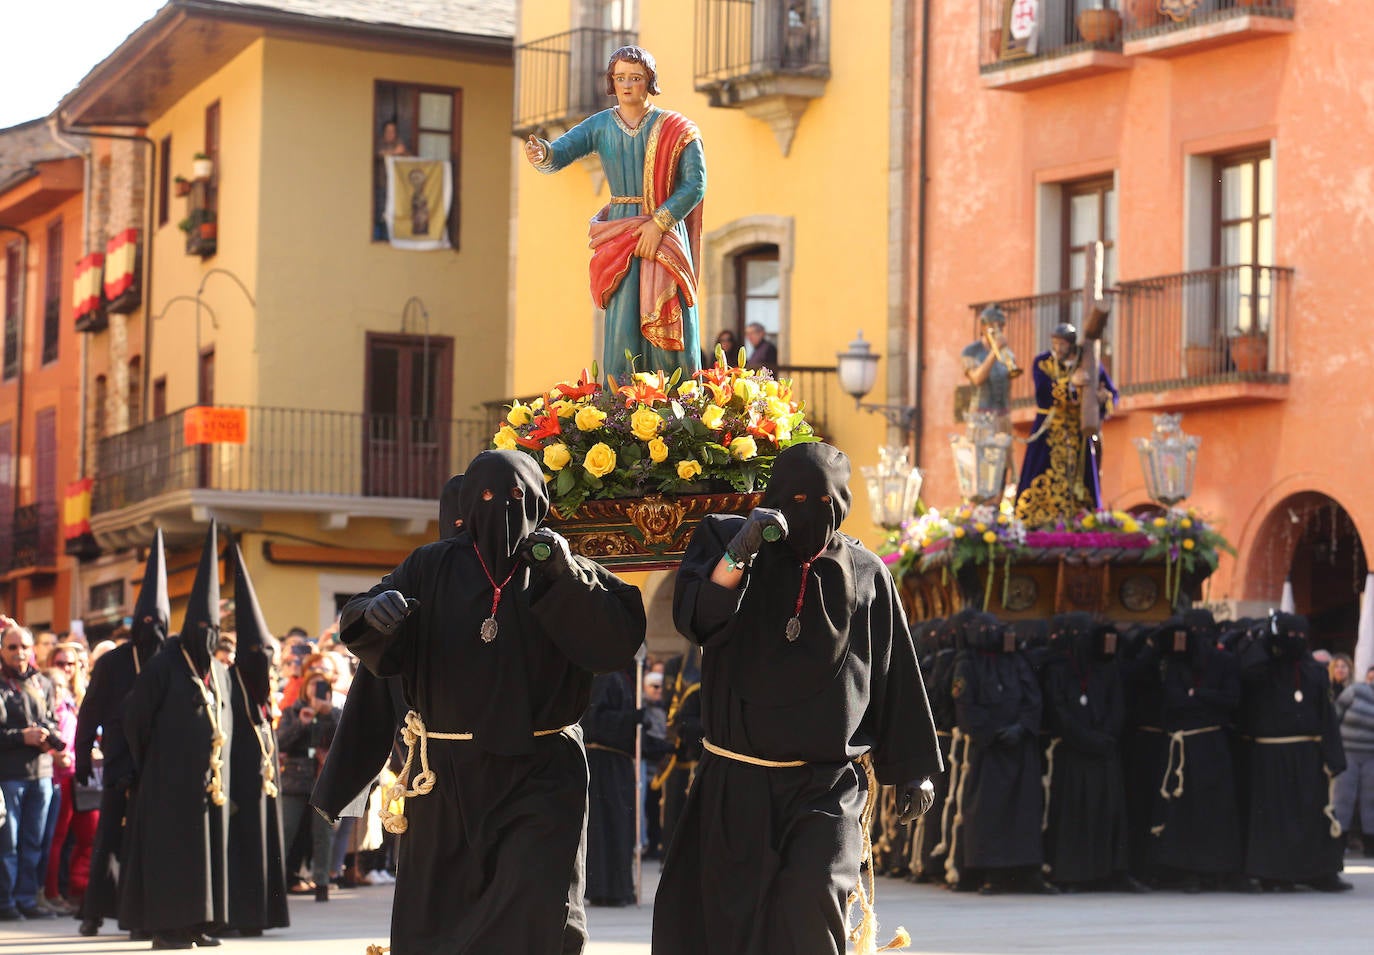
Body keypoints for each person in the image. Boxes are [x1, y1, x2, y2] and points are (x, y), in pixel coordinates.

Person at [337, 450, 645, 954]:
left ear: (539, 502)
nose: (501, 507)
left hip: (541, 776)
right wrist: (377, 612)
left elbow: (615, 639)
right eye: (485, 496)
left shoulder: (562, 565)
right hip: (447, 778)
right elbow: (358, 616)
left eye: (518, 497)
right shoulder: (431, 565)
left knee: (532, 909)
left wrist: (565, 577)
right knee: (441, 917)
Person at [653, 442, 941, 955]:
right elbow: (697, 619)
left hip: (826, 788)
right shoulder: (726, 540)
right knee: (733, 925)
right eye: (799, 499)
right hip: (735, 783)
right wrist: (743, 548)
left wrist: (913, 766)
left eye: (826, 502)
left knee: (813, 905)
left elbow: (893, 670)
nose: (813, 512)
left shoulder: (868, 570)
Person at [526, 46, 706, 383]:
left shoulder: (678, 129)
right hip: (621, 234)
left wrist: (658, 224)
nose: (627, 85)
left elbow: (695, 184)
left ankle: (680, 408)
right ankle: (622, 410)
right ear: (611, 82)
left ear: (649, 81)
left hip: (663, 235)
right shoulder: (601, 125)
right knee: (623, 321)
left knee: (669, 317)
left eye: (635, 78)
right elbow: (561, 152)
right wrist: (542, 153)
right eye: (619, 78)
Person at [119, 524, 234, 949]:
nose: (207, 637)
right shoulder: (163, 666)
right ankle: (168, 929)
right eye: (201, 628)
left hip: (207, 784)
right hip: (165, 783)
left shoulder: (216, 671)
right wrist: (153, 760)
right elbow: (135, 717)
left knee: (202, 859)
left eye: (213, 630)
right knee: (170, 858)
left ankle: (197, 922)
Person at [75, 530, 169, 936]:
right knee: (107, 840)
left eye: (158, 622)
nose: (151, 628)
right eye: (145, 621)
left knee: (146, 843)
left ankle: (137, 915)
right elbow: (89, 710)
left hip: (157, 765)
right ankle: (93, 913)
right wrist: (82, 758)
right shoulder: (113, 661)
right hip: (117, 763)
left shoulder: (171, 661)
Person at [1237, 613, 1349, 891]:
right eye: (1289, 636)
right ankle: (1274, 874)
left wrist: (1333, 757)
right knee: (1274, 817)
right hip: (1270, 756)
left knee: (1313, 814)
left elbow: (1326, 715)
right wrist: (1264, 641)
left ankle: (1320, 873)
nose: (1296, 642)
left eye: (1301, 636)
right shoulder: (1263, 668)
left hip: (1308, 755)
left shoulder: (1314, 671)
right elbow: (1247, 676)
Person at [947, 613, 1054, 895]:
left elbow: (1033, 698)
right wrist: (992, 733)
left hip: (1020, 748)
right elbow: (965, 704)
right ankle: (992, 873)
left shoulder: (1016, 660)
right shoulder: (967, 664)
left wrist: (1023, 727)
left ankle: (1028, 870)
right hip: (989, 751)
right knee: (989, 812)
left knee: (1026, 811)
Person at [1040, 615, 1143, 892]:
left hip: (1104, 753)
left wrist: (1106, 737)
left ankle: (1112, 870)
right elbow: (1059, 711)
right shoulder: (1058, 670)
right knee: (1075, 815)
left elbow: (1117, 707)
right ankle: (1074, 873)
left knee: (1109, 812)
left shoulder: (1107, 669)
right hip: (1074, 754)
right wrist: (1086, 739)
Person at [1147, 611, 1245, 892]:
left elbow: (1231, 699)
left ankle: (1214, 870)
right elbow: (1173, 701)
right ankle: (1184, 870)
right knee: (1182, 810)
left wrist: (1197, 695)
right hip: (1183, 746)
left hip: (1212, 746)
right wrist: (1205, 700)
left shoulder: (1225, 662)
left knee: (1214, 809)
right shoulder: (1174, 663)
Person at [224, 543, 290, 934]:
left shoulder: (262, 696)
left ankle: (260, 915)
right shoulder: (229, 685)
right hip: (234, 791)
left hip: (262, 787)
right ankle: (236, 915)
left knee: (261, 846)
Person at [1015, 323, 1118, 528]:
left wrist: (1102, 397)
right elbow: (1043, 394)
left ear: (1070, 344)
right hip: (1049, 429)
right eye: (1055, 343)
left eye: (1061, 344)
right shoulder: (1042, 362)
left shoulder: (1089, 362)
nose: (1058, 348)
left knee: (1085, 479)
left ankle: (1084, 520)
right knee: (1038, 473)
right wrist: (1073, 384)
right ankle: (1035, 522)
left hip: (1079, 431)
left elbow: (1112, 394)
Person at [0, 618, 59, 921]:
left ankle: (27, 899)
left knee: (34, 842)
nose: (19, 653)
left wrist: (49, 735)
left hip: (43, 773)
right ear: (2, 650)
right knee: (8, 844)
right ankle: (6, 903)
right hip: (9, 776)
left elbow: (53, 720)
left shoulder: (42, 682)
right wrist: (21, 736)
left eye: (24, 646)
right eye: (12, 647)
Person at [277, 669, 339, 902]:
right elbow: (281, 742)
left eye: (322, 687)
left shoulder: (335, 714)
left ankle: (322, 882)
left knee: (323, 833)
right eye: (313, 686)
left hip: (322, 780)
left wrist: (327, 714)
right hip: (295, 779)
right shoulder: (293, 711)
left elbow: (341, 740)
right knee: (287, 831)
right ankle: (276, 880)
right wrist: (302, 723)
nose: (317, 692)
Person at [581, 669, 640, 907]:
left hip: (618, 764)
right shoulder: (606, 677)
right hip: (604, 764)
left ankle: (618, 887)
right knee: (606, 826)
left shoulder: (623, 677)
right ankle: (605, 888)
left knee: (619, 825)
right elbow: (596, 720)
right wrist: (632, 718)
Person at [960, 305, 1017, 435]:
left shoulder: (1007, 353)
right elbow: (977, 379)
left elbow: (1008, 387)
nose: (998, 330)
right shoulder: (970, 352)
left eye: (1001, 326)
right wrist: (994, 352)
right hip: (981, 416)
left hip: (1002, 416)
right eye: (994, 326)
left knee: (1003, 454)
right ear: (983, 327)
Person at [1335, 667, 1374, 856]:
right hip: (1348, 751)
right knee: (1343, 797)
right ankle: (1338, 841)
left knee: (1371, 799)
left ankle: (1370, 845)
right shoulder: (1356, 691)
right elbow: (1336, 714)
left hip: (1371, 756)